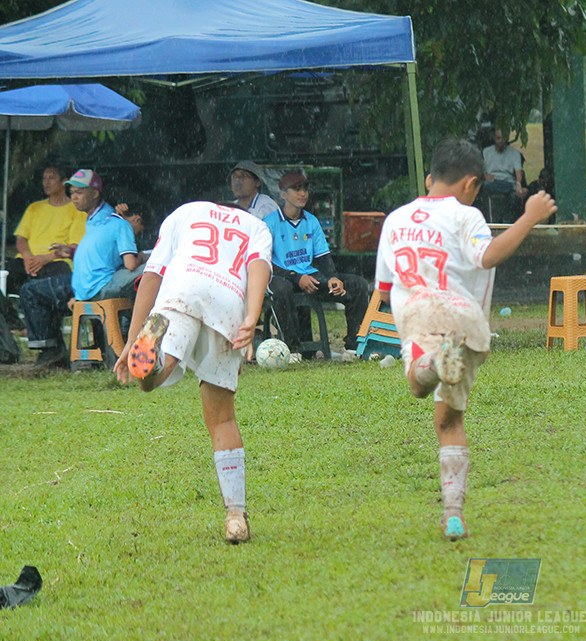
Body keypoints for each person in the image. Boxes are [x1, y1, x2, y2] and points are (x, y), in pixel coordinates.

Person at [375, 137, 557, 540]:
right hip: (467, 321)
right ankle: (453, 514)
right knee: (450, 420)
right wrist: (529, 217)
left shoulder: (395, 219)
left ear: (430, 178)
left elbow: (385, 285)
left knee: (418, 385)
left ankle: (431, 363)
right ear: (472, 184)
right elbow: (487, 256)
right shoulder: (467, 215)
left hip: (419, 313)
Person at [114, 201, 272, 544]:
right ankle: (235, 517)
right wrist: (252, 317)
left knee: (155, 378)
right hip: (228, 302)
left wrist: (130, 340)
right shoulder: (256, 225)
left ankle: (155, 363)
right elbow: (259, 266)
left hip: (182, 289)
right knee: (222, 419)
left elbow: (153, 274)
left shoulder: (185, 212)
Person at [19, 169, 139, 367]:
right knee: (33, 289)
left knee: (30, 291)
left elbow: (127, 262)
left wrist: (139, 254)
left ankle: (52, 350)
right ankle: (58, 349)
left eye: (79, 192)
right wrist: (71, 251)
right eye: (72, 192)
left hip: (95, 288)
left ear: (95, 193)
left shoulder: (111, 220)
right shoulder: (92, 219)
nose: (73, 197)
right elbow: (99, 253)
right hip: (83, 287)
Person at [263, 170, 369, 353]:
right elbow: (264, 263)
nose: (303, 194)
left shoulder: (311, 221)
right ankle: (293, 351)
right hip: (281, 277)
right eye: (296, 189)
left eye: (305, 189)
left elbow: (322, 257)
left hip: (309, 277)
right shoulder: (268, 223)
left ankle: (355, 347)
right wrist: (296, 277)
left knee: (357, 285)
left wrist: (333, 278)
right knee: (282, 289)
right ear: (283, 194)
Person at [7, 165, 87, 296]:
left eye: (51, 178)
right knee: (7, 270)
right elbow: (21, 238)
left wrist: (47, 258)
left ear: (64, 181)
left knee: (56, 278)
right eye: (44, 178)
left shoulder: (76, 210)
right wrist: (27, 257)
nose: (47, 182)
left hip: (56, 262)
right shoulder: (34, 207)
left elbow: (73, 246)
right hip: (27, 262)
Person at [481, 127, 527, 201]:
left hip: (508, 181)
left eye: (503, 138)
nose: (501, 141)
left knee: (515, 190)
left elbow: (518, 171)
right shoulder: (486, 152)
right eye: (498, 138)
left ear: (507, 138)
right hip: (492, 182)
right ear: (494, 138)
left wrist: (518, 184)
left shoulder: (514, 153)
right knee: (484, 186)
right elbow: (481, 170)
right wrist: (485, 176)